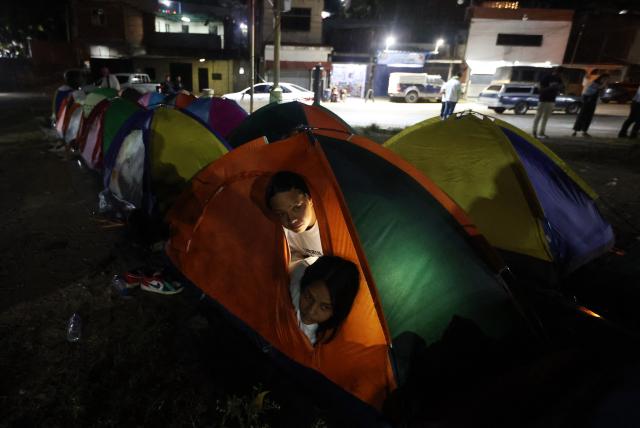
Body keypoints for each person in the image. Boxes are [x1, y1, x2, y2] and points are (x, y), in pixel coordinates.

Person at [289, 255, 359, 345]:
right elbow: (300, 266)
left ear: (337, 311)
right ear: (303, 286)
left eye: (324, 307)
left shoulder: (329, 341)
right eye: (309, 297)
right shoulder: (295, 286)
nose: (311, 311)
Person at [266, 171, 322, 267]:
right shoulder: (281, 232)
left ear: (309, 198)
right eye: (281, 214)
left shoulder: (332, 228)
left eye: (297, 207)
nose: (291, 219)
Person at [532, 67, 564, 138]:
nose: (559, 75)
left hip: (552, 99)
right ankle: (534, 131)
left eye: (560, 74)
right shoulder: (546, 77)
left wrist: (559, 88)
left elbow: (561, 87)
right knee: (538, 115)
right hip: (543, 99)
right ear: (556, 71)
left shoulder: (559, 79)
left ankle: (541, 132)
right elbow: (540, 89)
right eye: (558, 73)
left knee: (546, 117)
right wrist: (551, 88)